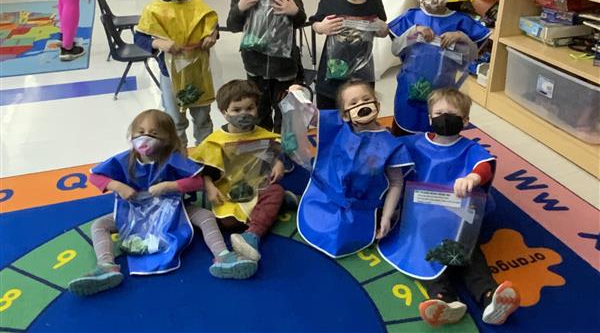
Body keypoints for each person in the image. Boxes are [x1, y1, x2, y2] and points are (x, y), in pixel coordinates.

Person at [67, 110, 257, 297]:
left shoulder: (172, 159)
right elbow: (96, 177)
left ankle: (223, 256)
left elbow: (197, 181)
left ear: (167, 138)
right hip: (133, 213)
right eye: (140, 132)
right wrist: (117, 186)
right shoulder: (125, 159)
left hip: (173, 211)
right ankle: (106, 266)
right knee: (99, 225)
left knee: (205, 216)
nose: (145, 137)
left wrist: (169, 186)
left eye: (154, 133)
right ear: (131, 134)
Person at [378, 88, 520, 327]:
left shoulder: (468, 148)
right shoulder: (414, 142)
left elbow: (484, 166)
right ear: (430, 117)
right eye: (439, 113)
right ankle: (444, 299)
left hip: (457, 217)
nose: (444, 117)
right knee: (425, 253)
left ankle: (489, 296)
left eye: (451, 114)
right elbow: (389, 149)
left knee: (468, 253)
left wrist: (472, 179)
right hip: (422, 219)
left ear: (465, 120)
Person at [296, 80, 413, 257]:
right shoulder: (338, 125)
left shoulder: (392, 145)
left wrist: (386, 217)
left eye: (366, 99)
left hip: (361, 208)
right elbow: (312, 115)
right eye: (353, 103)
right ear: (344, 115)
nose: (361, 105)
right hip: (324, 199)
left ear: (377, 105)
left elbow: (396, 183)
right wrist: (299, 94)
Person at [388, 0, 491, 135]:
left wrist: (461, 37)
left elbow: (472, 56)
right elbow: (396, 49)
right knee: (403, 132)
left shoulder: (461, 21)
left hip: (444, 94)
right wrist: (415, 32)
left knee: (441, 135)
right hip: (410, 91)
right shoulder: (411, 19)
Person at [190, 80, 285, 267]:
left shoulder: (262, 133)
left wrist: (278, 162)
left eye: (249, 108)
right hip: (228, 191)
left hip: (257, 186)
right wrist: (209, 187)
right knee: (228, 223)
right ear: (224, 112)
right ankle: (271, 208)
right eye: (236, 110)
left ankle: (252, 236)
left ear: (257, 108)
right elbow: (204, 170)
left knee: (276, 191)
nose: (244, 114)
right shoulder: (215, 142)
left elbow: (274, 150)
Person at [135, 0, 219, 149]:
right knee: (175, 121)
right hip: (170, 73)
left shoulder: (197, 4)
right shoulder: (153, 10)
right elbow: (140, 37)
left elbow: (211, 24)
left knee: (203, 118)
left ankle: (204, 157)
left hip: (198, 72)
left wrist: (212, 35)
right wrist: (159, 43)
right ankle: (180, 158)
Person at [226, 0, 306, 132]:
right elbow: (232, 25)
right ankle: (263, 152)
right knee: (258, 113)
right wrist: (240, 7)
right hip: (255, 66)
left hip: (285, 66)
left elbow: (300, 21)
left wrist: (293, 10)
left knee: (285, 112)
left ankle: (283, 152)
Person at [311, 0, 389, 110]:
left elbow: (382, 29)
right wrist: (321, 27)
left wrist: (384, 29)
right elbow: (315, 24)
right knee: (330, 123)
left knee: (359, 121)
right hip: (330, 80)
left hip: (362, 80)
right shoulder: (330, 0)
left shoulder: (374, 2)